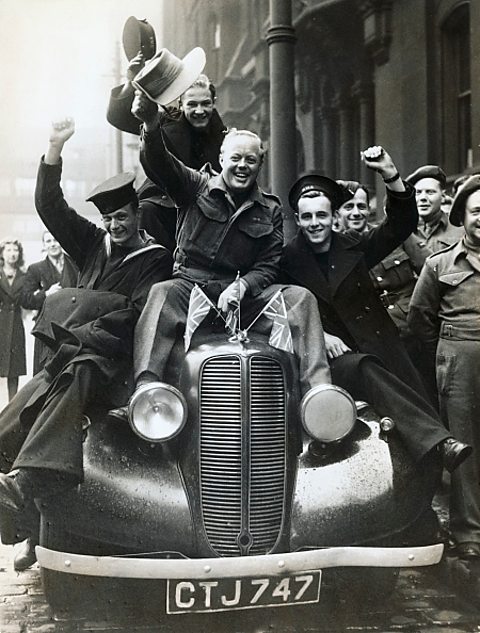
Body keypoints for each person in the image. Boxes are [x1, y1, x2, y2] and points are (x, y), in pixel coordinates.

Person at [0, 117, 173, 571]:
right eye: (108, 218)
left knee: (78, 371)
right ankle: (16, 501)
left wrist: (79, 335)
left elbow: (133, 318)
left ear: (137, 216)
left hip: (113, 365)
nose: (114, 226)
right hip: (73, 355)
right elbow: (50, 206)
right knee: (30, 396)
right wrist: (54, 149)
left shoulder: (155, 261)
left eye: (121, 217)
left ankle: (25, 482)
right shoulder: (93, 245)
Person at [126, 88, 348, 425]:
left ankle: (320, 397)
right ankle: (146, 392)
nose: (242, 166)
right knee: (161, 294)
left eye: (251, 160)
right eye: (235, 158)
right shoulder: (194, 186)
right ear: (221, 159)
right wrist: (151, 125)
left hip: (244, 295)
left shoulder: (270, 208)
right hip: (191, 287)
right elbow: (160, 163)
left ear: (260, 163)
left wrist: (243, 286)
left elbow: (269, 265)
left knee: (300, 298)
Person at [279, 146, 471, 473]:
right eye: (307, 217)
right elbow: (277, 305)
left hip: (383, 348)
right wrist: (319, 334)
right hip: (331, 362)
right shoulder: (287, 261)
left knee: (409, 433)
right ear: (297, 219)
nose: (315, 224)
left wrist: (389, 172)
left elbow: (401, 222)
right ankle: (441, 443)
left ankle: (426, 492)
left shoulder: (354, 245)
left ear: (333, 216)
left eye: (321, 215)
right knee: (364, 368)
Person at [408, 175, 480, 561]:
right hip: (459, 356)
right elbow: (420, 320)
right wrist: (445, 356)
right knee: (465, 445)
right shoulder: (440, 264)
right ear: (462, 215)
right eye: (476, 211)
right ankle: (469, 532)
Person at [108, 65, 226, 251]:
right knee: (146, 215)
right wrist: (133, 81)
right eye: (192, 105)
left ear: (214, 102)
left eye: (205, 104)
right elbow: (117, 115)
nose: (199, 110)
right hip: (162, 205)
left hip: (203, 209)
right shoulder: (166, 121)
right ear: (181, 104)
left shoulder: (223, 136)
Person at [20, 231, 78, 374]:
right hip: (46, 330)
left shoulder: (75, 265)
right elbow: (25, 299)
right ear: (44, 246)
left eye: (55, 240)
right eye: (48, 241)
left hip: (72, 325)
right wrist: (46, 294)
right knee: (44, 373)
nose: (53, 244)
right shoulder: (35, 269)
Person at [0, 238, 26, 401]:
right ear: (2, 253)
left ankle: (11, 407)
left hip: (16, 324)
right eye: (8, 250)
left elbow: (29, 298)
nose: (12, 254)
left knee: (13, 369)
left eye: (15, 250)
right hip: (0, 322)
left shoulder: (25, 275)